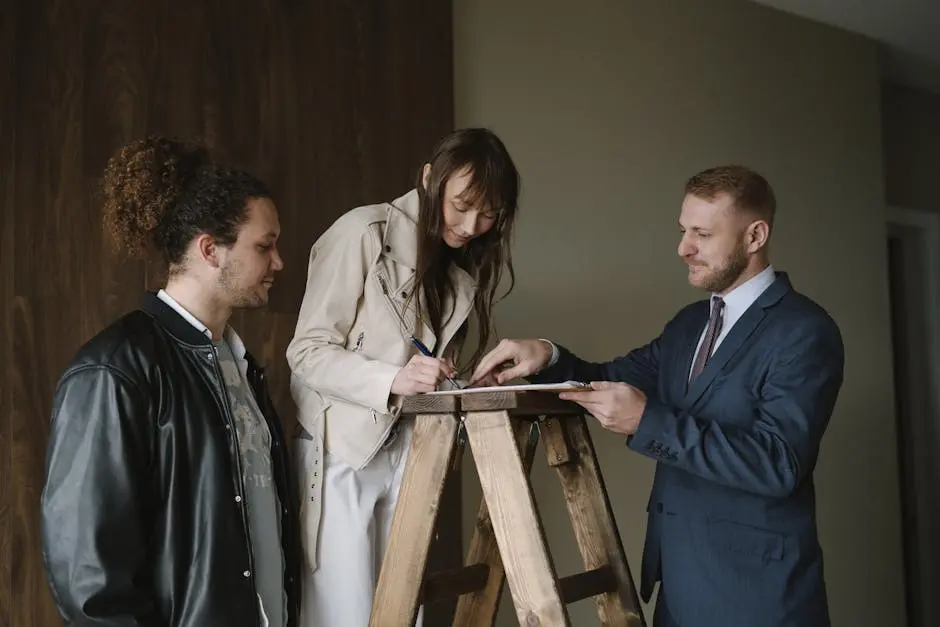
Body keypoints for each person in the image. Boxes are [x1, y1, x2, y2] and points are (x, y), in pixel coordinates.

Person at [470, 165, 844, 627]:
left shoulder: (805, 331)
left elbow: (778, 463)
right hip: (678, 589)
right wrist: (546, 355)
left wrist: (648, 422)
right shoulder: (688, 325)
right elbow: (605, 378)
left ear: (755, 236)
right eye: (683, 230)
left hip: (759, 595)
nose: (683, 248)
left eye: (702, 234)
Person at [40, 136, 301, 627]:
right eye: (264, 246)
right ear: (210, 250)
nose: (279, 263)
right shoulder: (113, 370)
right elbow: (88, 577)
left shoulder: (241, 367)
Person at [285, 127, 521, 626]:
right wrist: (392, 378)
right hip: (341, 450)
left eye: (488, 214)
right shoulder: (361, 233)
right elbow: (306, 352)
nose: (472, 223)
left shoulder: (458, 271)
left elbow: (424, 372)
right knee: (343, 617)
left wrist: (463, 387)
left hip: (410, 454)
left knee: (400, 613)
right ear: (429, 178)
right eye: (461, 205)